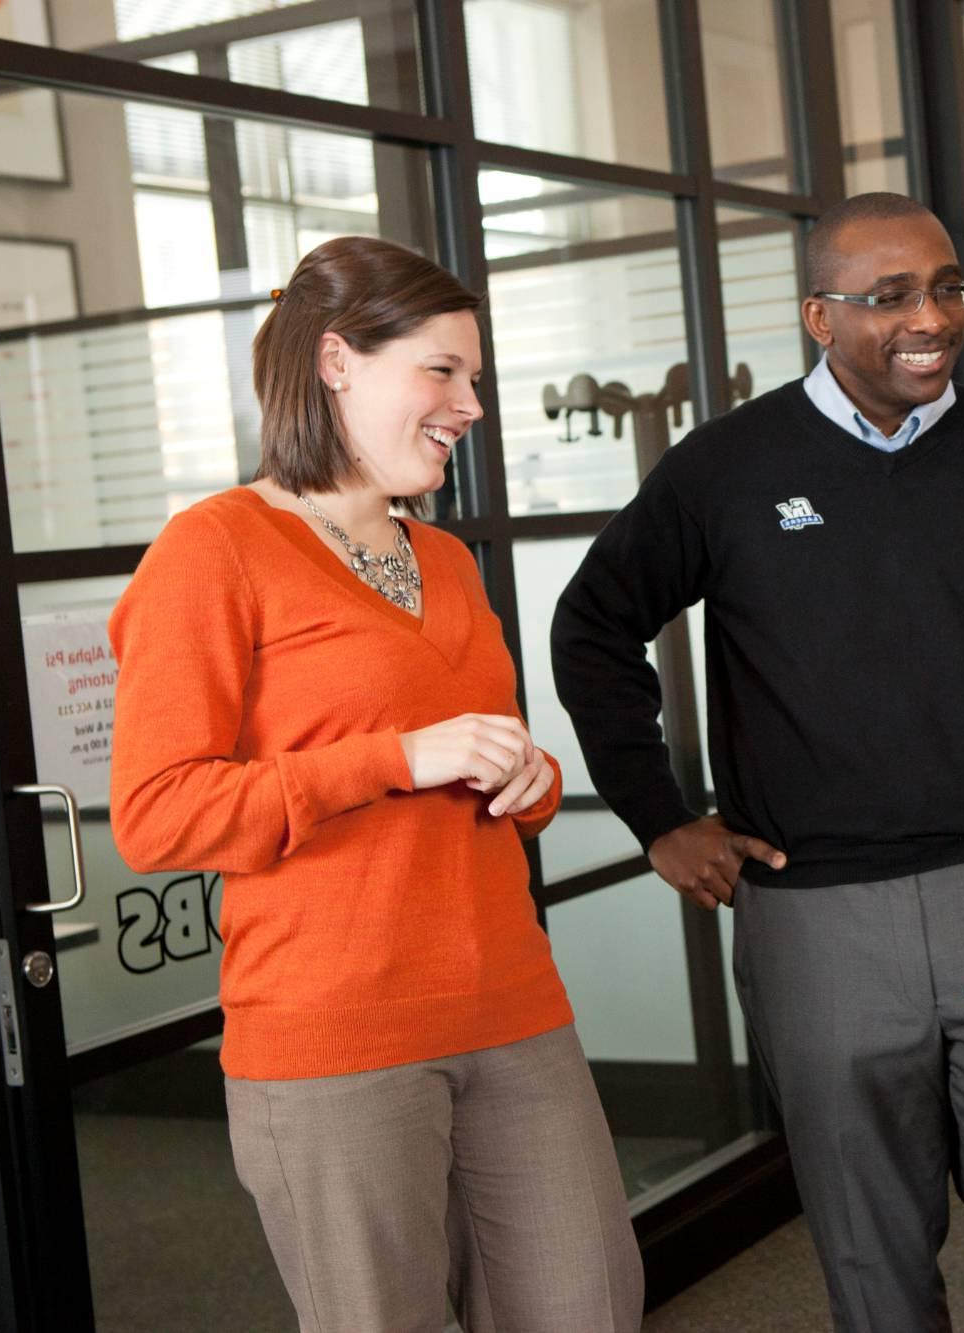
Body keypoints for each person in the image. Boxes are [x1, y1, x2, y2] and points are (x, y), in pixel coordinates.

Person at [552, 192, 964, 1332]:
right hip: (816, 921)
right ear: (818, 316)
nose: (930, 316)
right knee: (871, 1259)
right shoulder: (727, 469)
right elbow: (591, 626)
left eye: (946, 286)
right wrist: (658, 812)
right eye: (888, 295)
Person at [108, 236, 643, 1333]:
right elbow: (158, 813)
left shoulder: (442, 558)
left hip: (511, 1008)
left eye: (475, 378)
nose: (471, 404)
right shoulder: (211, 550)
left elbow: (495, 763)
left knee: (587, 1305)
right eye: (441, 372)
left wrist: (525, 774)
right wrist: (396, 758)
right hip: (332, 1035)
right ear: (338, 362)